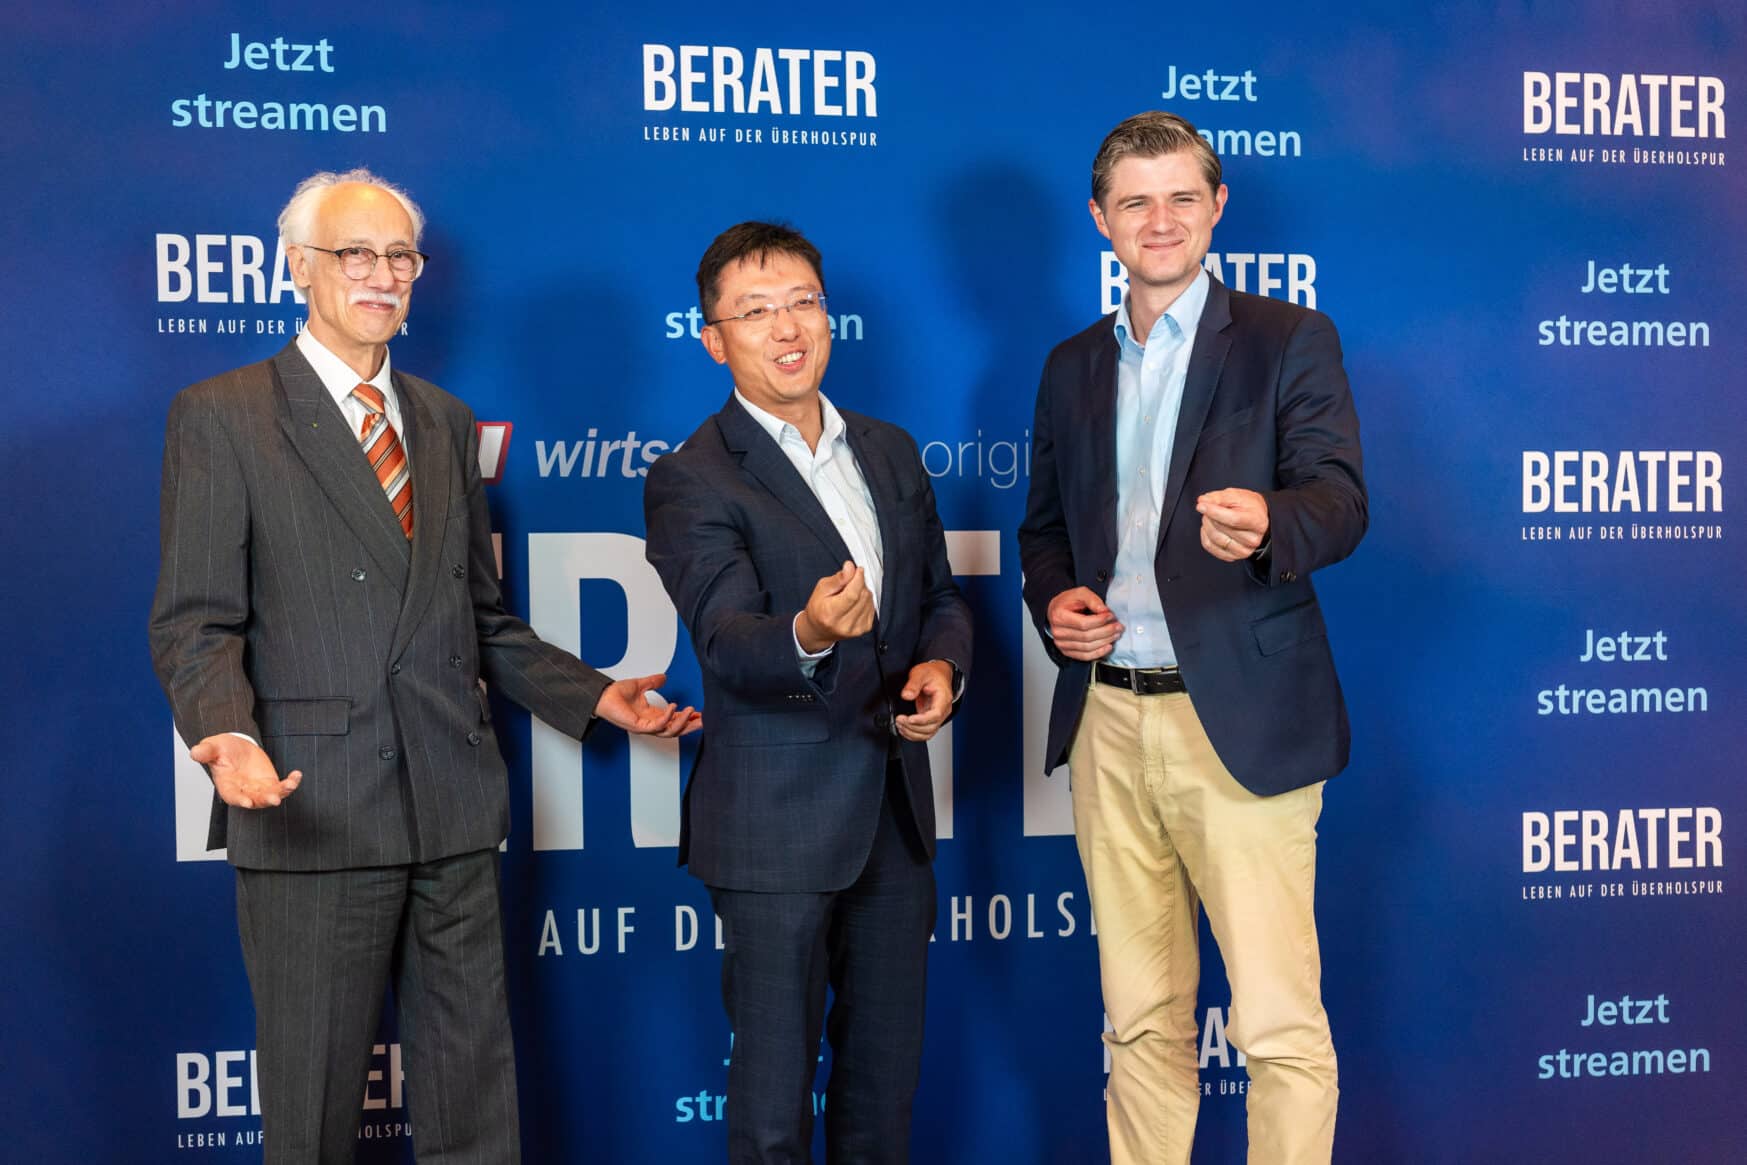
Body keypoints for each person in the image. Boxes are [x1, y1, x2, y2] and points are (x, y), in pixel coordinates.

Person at [148, 168, 698, 1164]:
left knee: (473, 1112)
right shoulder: (223, 414)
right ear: (298, 269)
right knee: (312, 1124)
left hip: (450, 806)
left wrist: (597, 694)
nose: (383, 275)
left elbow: (476, 619)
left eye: (400, 255)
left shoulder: (442, 422)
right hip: (312, 811)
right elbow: (195, 623)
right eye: (355, 253)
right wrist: (224, 734)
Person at [1018, 112, 1367, 1165]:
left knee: (1275, 1028)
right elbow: (1042, 530)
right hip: (1109, 725)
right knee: (1136, 1023)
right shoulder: (1069, 364)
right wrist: (1054, 602)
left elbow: (1339, 501)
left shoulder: (1288, 339)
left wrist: (1271, 523)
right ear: (1099, 221)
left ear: (1217, 207)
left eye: (1180, 197)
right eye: (1134, 202)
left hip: (1244, 723)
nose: (1158, 220)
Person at [643, 221, 972, 1163]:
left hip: (895, 823)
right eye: (754, 311)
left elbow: (942, 599)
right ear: (713, 339)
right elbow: (727, 642)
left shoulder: (890, 450)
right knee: (772, 1110)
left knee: (880, 1098)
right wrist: (810, 633)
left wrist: (941, 669)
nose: (786, 327)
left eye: (801, 303)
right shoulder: (691, 477)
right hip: (773, 829)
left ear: (828, 319)